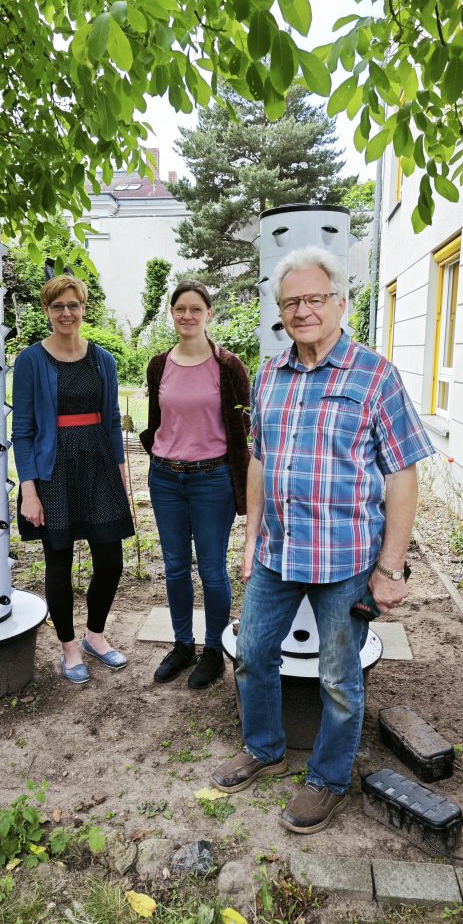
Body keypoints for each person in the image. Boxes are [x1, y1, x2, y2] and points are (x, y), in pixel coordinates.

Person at [211, 246, 434, 833]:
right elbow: (260, 459)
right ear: (279, 312)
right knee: (254, 657)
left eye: (314, 298)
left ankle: (329, 779)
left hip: (346, 560)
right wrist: (250, 535)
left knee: (340, 679)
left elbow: (403, 472)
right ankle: (263, 747)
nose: (302, 310)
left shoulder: (375, 375)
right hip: (277, 554)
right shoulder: (269, 373)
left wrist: (391, 568)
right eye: (291, 302)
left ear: (339, 301)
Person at [12, 275, 134, 686]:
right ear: (47, 311)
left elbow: (113, 420)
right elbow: (23, 430)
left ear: (84, 309)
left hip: (98, 466)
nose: (67, 313)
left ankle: (95, 636)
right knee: (59, 563)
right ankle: (67, 647)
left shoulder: (103, 359)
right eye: (58, 306)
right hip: (53, 471)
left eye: (73, 305)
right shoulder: (31, 360)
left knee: (110, 562)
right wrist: (29, 490)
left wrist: (120, 477)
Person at [140, 280, 251, 690]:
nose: (187, 315)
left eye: (196, 309)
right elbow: (157, 420)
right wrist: (156, 450)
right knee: (173, 568)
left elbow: (243, 426)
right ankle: (182, 644)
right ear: (172, 314)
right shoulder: (158, 364)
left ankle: (212, 652)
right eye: (180, 308)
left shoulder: (228, 366)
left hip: (212, 480)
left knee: (212, 570)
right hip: (166, 478)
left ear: (209, 314)